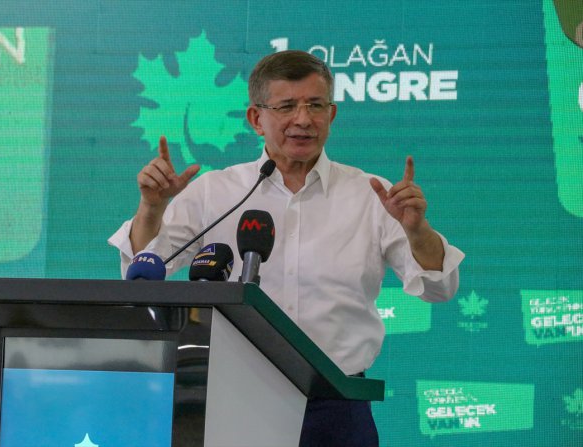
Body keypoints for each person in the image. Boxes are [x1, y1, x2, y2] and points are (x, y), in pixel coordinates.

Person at [109, 50, 464, 446]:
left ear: (332, 114)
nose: (303, 119)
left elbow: (439, 288)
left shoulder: (371, 194)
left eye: (316, 105)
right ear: (256, 118)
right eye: (287, 106)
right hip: (234, 400)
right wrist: (151, 208)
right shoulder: (215, 192)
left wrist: (417, 231)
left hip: (336, 405)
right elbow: (142, 272)